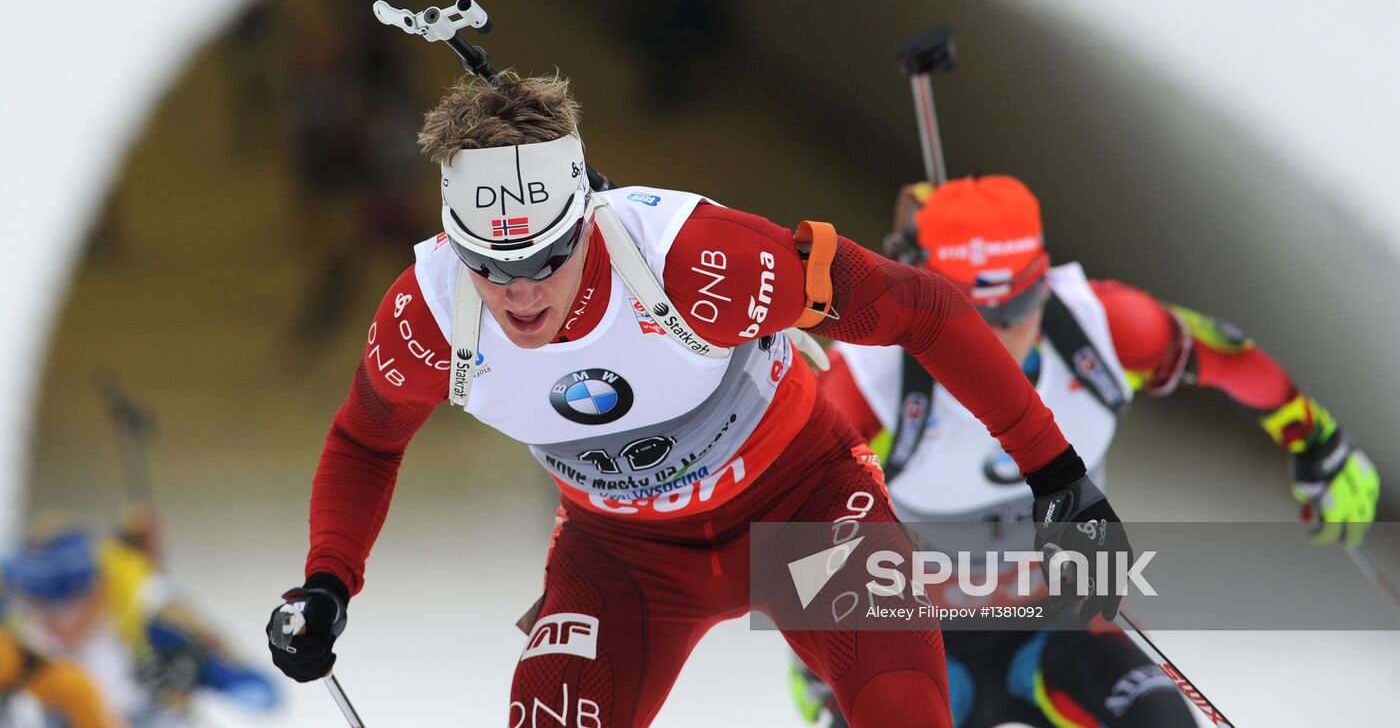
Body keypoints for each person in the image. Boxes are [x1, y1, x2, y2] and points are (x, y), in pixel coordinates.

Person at [262, 72, 1137, 727]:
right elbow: (366, 441)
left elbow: (923, 309)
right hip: (623, 557)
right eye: (489, 265)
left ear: (587, 217)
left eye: (547, 258)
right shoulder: (427, 313)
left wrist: (1057, 474)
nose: (520, 292)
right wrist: (328, 582)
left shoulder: (697, 261)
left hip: (805, 509)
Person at [789, 175, 1381, 728]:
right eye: (964, 315)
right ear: (921, 301)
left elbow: (1227, 355)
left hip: (1061, 624)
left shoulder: (1101, 327)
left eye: (1014, 308)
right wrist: (818, 647)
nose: (994, 337)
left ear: (1043, 284)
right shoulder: (871, 379)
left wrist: (1319, 442)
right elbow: (793, 509)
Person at [3, 517, 278, 728]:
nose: (45, 623)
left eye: (59, 610)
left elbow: (262, 692)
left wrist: (190, 672)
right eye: (34, 607)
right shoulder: (19, 626)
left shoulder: (152, 617)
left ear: (96, 591)